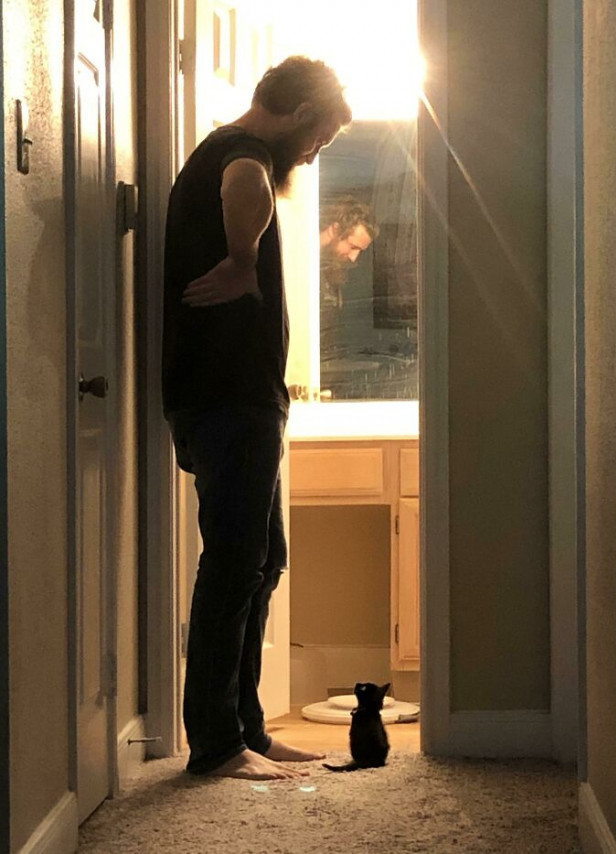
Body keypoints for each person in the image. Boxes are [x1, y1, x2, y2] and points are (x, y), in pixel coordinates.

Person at [162, 57, 351, 781]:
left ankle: (247, 729)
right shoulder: (242, 154)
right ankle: (216, 744)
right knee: (235, 561)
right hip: (228, 399)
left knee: (262, 560)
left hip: (241, 398)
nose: (314, 153)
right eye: (319, 138)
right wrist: (244, 259)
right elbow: (246, 182)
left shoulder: (226, 152)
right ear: (299, 113)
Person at [319, 197, 378, 309]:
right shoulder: (297, 258)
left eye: (359, 251)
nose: (353, 257)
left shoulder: (329, 270)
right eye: (352, 247)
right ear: (335, 230)